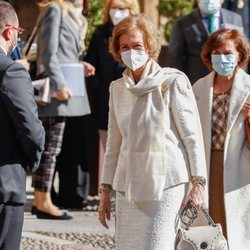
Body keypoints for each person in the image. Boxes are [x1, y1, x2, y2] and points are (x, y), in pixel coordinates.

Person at [98, 14, 207, 249]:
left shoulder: (172, 81)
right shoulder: (117, 88)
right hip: (128, 187)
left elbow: (192, 138)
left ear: (149, 46)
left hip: (166, 185)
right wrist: (105, 190)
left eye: (137, 45)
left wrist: (198, 185)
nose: (131, 51)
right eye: (124, 46)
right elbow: (114, 144)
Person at [31, 0, 94, 219]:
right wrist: (59, 84)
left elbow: (65, 52)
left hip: (65, 88)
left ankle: (42, 199)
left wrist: (81, 65)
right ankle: (43, 201)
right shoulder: (54, 9)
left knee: (51, 148)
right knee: (50, 148)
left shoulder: (73, 14)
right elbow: (47, 53)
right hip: (56, 91)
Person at [193, 28, 250, 249]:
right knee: (209, 223)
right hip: (207, 164)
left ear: (240, 55)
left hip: (240, 165)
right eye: (216, 53)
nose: (222, 58)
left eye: (227, 53)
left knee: (237, 225)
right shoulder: (199, 87)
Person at [0, 1, 45, 249]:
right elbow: (31, 129)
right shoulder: (11, 72)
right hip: (4, 184)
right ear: (9, 32)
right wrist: (32, 160)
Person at [85, 0, 140, 151]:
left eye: (122, 8)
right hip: (105, 104)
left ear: (131, 10)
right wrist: (100, 91)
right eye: (114, 8)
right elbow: (91, 64)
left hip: (134, 101)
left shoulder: (140, 33)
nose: (117, 12)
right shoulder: (100, 33)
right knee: (111, 153)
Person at [167, 0, 244, 84]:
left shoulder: (235, 19)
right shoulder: (182, 23)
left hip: (229, 82)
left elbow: (242, 50)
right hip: (196, 82)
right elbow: (175, 57)